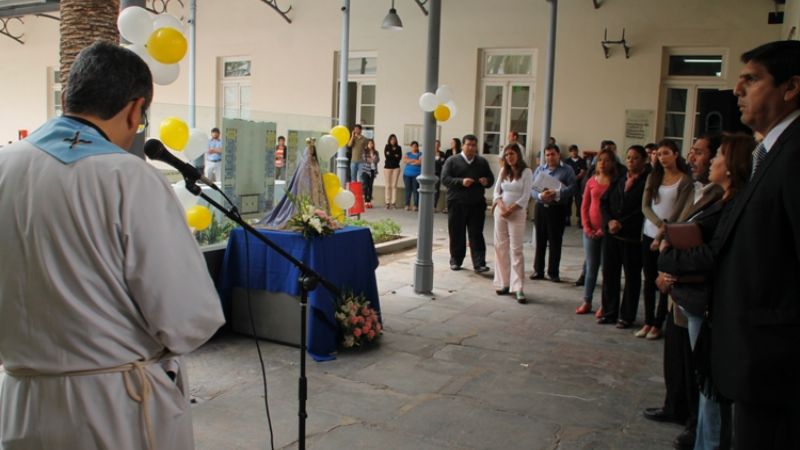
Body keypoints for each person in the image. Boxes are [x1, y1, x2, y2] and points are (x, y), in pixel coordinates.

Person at [0, 41, 225, 450]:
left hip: (22, 402)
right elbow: (189, 317)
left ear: (67, 97)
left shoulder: (4, 165)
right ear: (136, 109)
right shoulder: (128, 177)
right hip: (112, 408)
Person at [709, 40, 800, 450]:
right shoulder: (772, 151)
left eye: (752, 79)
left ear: (791, 86)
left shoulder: (795, 155)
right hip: (753, 361)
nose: (737, 90)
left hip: (775, 364)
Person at [654, 133, 752, 450]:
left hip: (706, 302)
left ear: (733, 164)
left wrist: (669, 257)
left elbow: (712, 255)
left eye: (717, 155)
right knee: (702, 386)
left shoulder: (733, 204)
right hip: (691, 298)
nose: (710, 160)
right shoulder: (718, 197)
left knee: (711, 392)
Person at [642, 134, 723, 449]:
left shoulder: (716, 195)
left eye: (701, 153)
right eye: (693, 150)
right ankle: (675, 404)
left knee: (695, 364)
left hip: (693, 288)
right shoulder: (703, 189)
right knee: (675, 353)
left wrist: (670, 262)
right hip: (679, 284)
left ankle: (692, 421)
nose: (694, 156)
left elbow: (700, 241)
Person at [638, 139, 693, 340]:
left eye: (666, 153)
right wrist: (658, 226)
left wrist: (663, 233)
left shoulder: (684, 180)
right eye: (659, 154)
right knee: (649, 278)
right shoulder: (653, 177)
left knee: (663, 281)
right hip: (649, 232)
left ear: (676, 154)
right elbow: (645, 206)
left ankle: (658, 322)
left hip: (669, 236)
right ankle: (648, 320)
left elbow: (679, 212)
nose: (662, 158)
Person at [598, 145, 650, 327]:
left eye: (635, 158)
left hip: (631, 237)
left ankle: (627, 315)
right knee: (610, 274)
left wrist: (622, 224)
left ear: (644, 160)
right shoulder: (619, 179)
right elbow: (604, 202)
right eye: (628, 157)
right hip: (612, 235)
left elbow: (643, 210)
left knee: (631, 276)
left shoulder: (647, 182)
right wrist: (609, 221)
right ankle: (609, 311)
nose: (630, 161)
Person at [441, 134, 494, 273]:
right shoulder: (452, 160)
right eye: (468, 145)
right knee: (457, 232)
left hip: (476, 203)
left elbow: (491, 179)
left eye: (473, 145)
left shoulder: (482, 162)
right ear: (462, 146)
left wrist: (486, 181)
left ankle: (479, 263)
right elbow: (445, 179)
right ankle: (456, 260)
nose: (471, 148)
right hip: (457, 202)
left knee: (476, 233)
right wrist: (461, 182)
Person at [575, 147, 616, 314]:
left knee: (607, 269)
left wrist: (603, 229)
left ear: (612, 163)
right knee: (591, 267)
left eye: (606, 160)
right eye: (600, 160)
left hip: (607, 231)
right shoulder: (592, 181)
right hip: (590, 231)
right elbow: (584, 206)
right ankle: (587, 301)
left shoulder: (616, 182)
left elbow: (615, 209)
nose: (602, 163)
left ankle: (605, 304)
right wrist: (586, 226)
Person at [529, 144, 577, 282]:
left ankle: (553, 272)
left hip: (557, 209)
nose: (550, 157)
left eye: (553, 154)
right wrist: (540, 196)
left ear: (558, 155)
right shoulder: (539, 169)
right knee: (540, 240)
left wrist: (557, 192)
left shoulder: (567, 170)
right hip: (541, 208)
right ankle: (538, 270)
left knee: (555, 241)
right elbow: (532, 189)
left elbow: (573, 189)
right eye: (547, 155)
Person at [492, 144, 532, 303]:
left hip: (517, 213)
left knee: (516, 250)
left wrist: (511, 209)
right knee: (500, 247)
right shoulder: (504, 170)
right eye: (507, 154)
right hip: (501, 213)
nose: (509, 157)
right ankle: (504, 283)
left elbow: (526, 196)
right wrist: (502, 206)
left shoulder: (527, 172)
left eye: (512, 154)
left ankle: (519, 287)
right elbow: (496, 192)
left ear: (518, 155)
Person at [259, 137, 330, 228]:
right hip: (307, 190)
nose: (311, 151)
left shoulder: (315, 162)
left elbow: (318, 175)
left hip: (316, 188)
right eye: (310, 149)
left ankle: (319, 218)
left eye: (313, 149)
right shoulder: (304, 163)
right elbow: (301, 179)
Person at [564, 144, 588, 227]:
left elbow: (583, 172)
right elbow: (565, 172)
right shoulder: (567, 161)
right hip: (569, 184)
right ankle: (567, 218)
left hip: (579, 184)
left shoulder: (582, 161)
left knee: (579, 202)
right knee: (568, 201)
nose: (573, 152)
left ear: (577, 151)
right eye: (572, 151)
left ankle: (580, 219)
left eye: (575, 150)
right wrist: (571, 179)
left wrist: (575, 178)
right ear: (570, 152)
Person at [383, 134, 402, 209]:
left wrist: (392, 155)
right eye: (391, 139)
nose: (393, 141)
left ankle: (393, 203)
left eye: (394, 139)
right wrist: (395, 155)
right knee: (388, 185)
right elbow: (387, 156)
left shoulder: (399, 147)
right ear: (389, 140)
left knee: (394, 185)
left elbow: (399, 157)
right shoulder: (387, 146)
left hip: (396, 168)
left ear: (396, 140)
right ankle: (387, 202)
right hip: (387, 168)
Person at [402, 141, 422, 211]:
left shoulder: (420, 154)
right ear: (411, 147)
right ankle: (407, 205)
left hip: (416, 175)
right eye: (413, 146)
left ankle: (415, 205)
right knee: (408, 190)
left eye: (415, 146)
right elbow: (404, 160)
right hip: (407, 175)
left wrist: (410, 161)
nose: (414, 147)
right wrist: (414, 160)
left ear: (417, 147)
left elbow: (420, 162)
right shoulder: (408, 153)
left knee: (415, 190)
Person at [361, 139, 380, 208]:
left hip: (372, 170)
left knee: (370, 186)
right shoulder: (365, 151)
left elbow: (377, 160)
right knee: (365, 186)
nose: (370, 145)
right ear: (367, 144)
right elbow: (364, 159)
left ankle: (369, 201)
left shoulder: (376, 152)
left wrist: (372, 159)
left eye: (372, 143)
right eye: (369, 144)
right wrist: (371, 159)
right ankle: (366, 201)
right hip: (365, 170)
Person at [434, 139, 447, 211]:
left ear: (439, 146)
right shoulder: (429, 152)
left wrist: (438, 159)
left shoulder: (442, 154)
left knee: (436, 190)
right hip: (430, 174)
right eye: (435, 145)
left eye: (437, 145)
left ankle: (434, 206)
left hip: (438, 173)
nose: (436, 146)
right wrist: (438, 160)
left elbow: (443, 163)